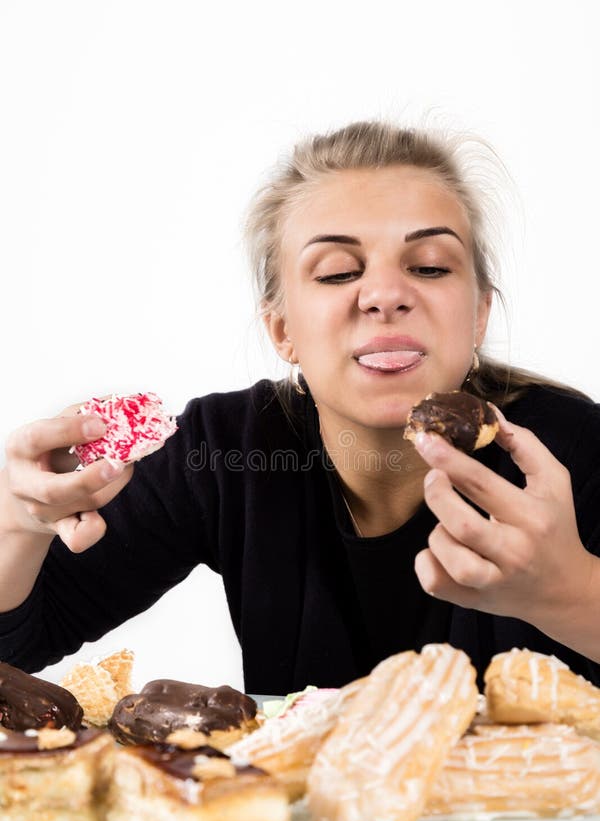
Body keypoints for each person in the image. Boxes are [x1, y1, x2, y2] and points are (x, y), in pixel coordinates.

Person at [1, 120, 599, 694]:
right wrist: (18, 520)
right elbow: (18, 642)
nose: (387, 294)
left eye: (430, 266)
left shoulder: (573, 453)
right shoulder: (227, 451)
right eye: (337, 272)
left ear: (478, 314)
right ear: (282, 329)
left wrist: (568, 592)